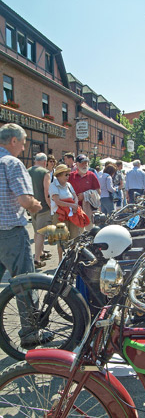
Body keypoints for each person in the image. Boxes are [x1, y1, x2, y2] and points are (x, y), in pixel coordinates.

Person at [0, 123, 50, 347]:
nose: (24, 146)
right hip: (11, 233)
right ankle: (31, 332)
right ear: (13, 141)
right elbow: (24, 200)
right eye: (23, 142)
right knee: (25, 284)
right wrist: (36, 205)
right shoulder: (11, 163)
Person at [49, 164, 80, 261]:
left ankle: (72, 260)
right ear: (59, 175)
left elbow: (75, 196)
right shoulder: (53, 186)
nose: (68, 177)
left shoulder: (69, 185)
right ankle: (60, 261)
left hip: (72, 214)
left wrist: (75, 204)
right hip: (60, 216)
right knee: (61, 239)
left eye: (68, 174)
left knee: (74, 238)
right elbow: (57, 201)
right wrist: (72, 205)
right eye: (66, 175)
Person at [28, 152, 52, 269]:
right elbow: (47, 193)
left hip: (31, 206)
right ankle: (37, 259)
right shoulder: (45, 173)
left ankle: (41, 253)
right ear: (44, 162)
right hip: (43, 207)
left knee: (36, 231)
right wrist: (52, 207)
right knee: (40, 233)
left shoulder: (27, 171)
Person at [69, 154, 100, 229]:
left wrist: (85, 195)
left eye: (86, 163)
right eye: (82, 163)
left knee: (89, 231)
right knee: (78, 233)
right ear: (77, 164)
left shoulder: (91, 175)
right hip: (75, 210)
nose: (85, 165)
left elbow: (98, 191)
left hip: (88, 210)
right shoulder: (70, 176)